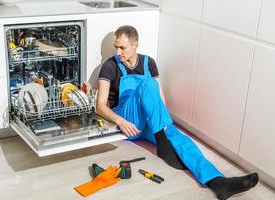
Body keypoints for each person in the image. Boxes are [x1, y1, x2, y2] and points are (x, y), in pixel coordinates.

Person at [96, 25, 259, 200]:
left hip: (151, 121)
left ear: (135, 44)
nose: (118, 51)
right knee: (149, 84)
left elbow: (159, 97)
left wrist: (164, 124)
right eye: (116, 46)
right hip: (129, 121)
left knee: (182, 140)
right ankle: (163, 143)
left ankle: (218, 182)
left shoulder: (148, 63)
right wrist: (120, 121)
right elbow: (100, 106)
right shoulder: (110, 65)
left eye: (122, 47)